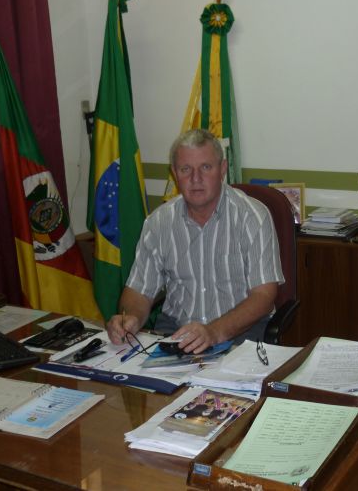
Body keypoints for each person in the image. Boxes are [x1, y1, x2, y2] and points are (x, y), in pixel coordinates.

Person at [106, 129, 284, 354]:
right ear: (174, 173)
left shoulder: (253, 217)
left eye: (206, 167)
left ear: (222, 169)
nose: (195, 178)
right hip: (176, 333)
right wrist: (130, 317)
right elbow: (138, 290)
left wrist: (213, 332)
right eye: (186, 169)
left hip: (240, 334)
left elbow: (263, 297)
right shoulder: (158, 222)